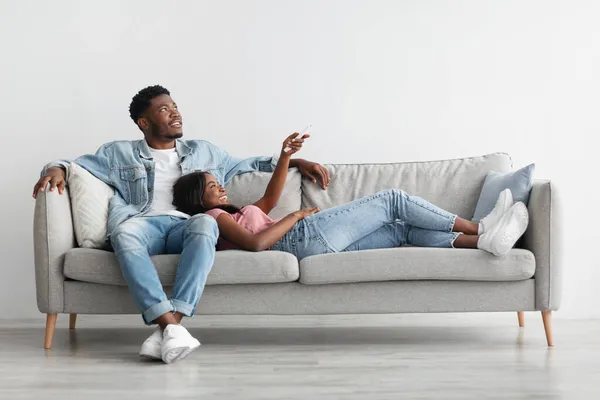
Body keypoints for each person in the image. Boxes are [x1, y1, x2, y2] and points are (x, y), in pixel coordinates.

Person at [31, 85, 330, 364]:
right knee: (123, 234)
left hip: (186, 225)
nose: (175, 112)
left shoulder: (206, 152)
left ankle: (169, 327)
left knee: (205, 224)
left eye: (175, 106)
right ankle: (171, 327)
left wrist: (295, 162)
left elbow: (253, 164)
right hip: (141, 223)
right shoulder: (116, 153)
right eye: (164, 109)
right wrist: (56, 169)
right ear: (143, 123)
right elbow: (73, 164)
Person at [172, 134, 529, 260]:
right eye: (211, 185)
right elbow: (254, 244)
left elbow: (269, 196)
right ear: (197, 198)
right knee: (392, 200)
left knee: (401, 232)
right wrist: (294, 217)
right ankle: (482, 228)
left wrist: (285, 155)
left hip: (310, 242)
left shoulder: (234, 211)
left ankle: (482, 244)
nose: (219, 185)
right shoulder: (212, 220)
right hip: (301, 237)